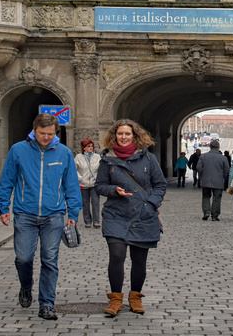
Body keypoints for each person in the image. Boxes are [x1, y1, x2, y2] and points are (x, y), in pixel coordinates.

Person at [0, 113, 81, 320]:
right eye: (42, 133)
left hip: (54, 214)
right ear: (34, 130)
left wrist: (74, 212)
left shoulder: (64, 153)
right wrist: (3, 206)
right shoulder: (18, 150)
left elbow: (71, 184)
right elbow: (7, 180)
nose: (46, 137)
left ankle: (47, 304)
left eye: (50, 134)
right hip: (25, 212)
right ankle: (26, 286)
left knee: (50, 260)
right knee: (23, 258)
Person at [95, 119, 167, 317]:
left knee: (139, 259)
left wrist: (151, 204)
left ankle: (135, 298)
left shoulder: (149, 159)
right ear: (114, 136)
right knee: (117, 255)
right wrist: (113, 190)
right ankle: (115, 299)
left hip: (143, 214)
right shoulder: (107, 160)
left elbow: (160, 185)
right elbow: (99, 185)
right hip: (116, 214)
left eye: (127, 134)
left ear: (135, 136)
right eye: (120, 134)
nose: (124, 137)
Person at [196, 138, 229, 221]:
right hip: (218, 181)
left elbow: (198, 167)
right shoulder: (223, 158)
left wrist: (203, 174)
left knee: (206, 197)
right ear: (218, 147)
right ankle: (215, 215)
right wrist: (225, 180)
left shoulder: (203, 156)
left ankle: (206, 212)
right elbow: (227, 171)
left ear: (210, 147)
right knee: (217, 198)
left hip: (206, 180)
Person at [75, 137, 102, 228]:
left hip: (94, 184)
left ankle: (96, 220)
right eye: (88, 146)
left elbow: (101, 170)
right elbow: (74, 170)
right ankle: (87, 221)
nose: (91, 148)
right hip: (83, 183)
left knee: (95, 202)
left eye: (91, 146)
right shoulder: (78, 157)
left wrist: (98, 179)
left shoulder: (97, 157)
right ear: (84, 148)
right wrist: (80, 178)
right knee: (85, 203)